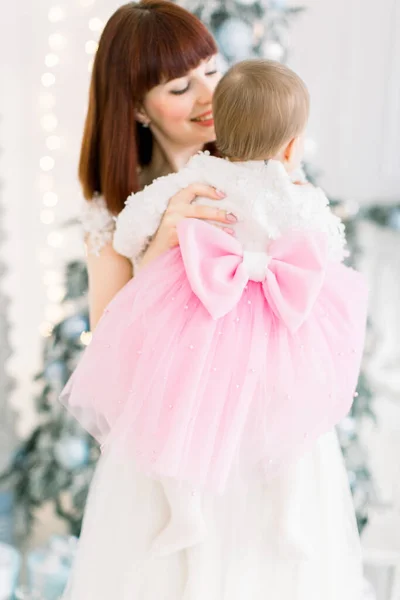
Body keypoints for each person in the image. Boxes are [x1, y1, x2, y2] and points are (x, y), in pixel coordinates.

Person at [62, 42, 368, 600]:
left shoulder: (250, 185)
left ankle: (257, 517)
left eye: (211, 73)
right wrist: (156, 249)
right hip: (177, 405)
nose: (205, 95)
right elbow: (107, 334)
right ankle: (228, 517)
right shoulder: (162, 197)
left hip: (258, 405)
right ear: (137, 107)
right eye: (180, 87)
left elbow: (320, 252)